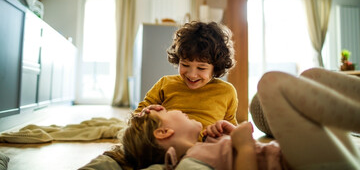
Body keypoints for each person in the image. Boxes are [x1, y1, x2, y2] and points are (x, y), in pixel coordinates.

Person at [106, 68, 360, 170]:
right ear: (164, 133)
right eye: (167, 111)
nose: (177, 109)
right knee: (270, 83)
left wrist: (229, 135)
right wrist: (244, 144)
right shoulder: (191, 164)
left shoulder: (203, 148)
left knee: (310, 76)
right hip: (303, 164)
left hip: (316, 157)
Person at [134, 21, 238, 136]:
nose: (192, 74)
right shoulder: (165, 83)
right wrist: (146, 114)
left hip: (207, 145)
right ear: (178, 60)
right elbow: (138, 115)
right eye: (185, 65)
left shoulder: (227, 91)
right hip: (168, 141)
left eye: (201, 68)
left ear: (216, 67)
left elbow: (230, 125)